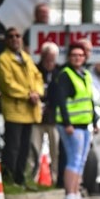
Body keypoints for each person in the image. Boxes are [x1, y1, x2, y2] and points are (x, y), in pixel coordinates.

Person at [0, 27, 43, 188]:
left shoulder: (26, 57)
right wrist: (28, 94)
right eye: (11, 36)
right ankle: (9, 180)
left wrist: (37, 92)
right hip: (15, 110)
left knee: (24, 148)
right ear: (6, 40)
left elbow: (38, 76)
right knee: (12, 147)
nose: (15, 39)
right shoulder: (3, 59)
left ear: (22, 39)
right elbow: (8, 85)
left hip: (29, 110)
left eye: (18, 36)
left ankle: (20, 179)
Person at [55, 42, 98, 199]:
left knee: (81, 160)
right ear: (69, 57)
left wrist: (94, 120)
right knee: (74, 160)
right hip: (71, 125)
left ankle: (76, 193)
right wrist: (67, 123)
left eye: (80, 55)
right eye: (74, 55)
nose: (77, 58)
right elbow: (61, 102)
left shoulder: (85, 74)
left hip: (84, 124)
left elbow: (89, 100)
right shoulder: (65, 75)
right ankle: (70, 195)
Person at [31, 41, 61, 184]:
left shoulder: (59, 72)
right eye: (48, 57)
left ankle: (54, 178)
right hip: (36, 116)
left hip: (53, 117)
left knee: (55, 150)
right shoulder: (34, 70)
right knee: (34, 149)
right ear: (42, 56)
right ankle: (32, 178)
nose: (50, 61)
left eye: (53, 58)